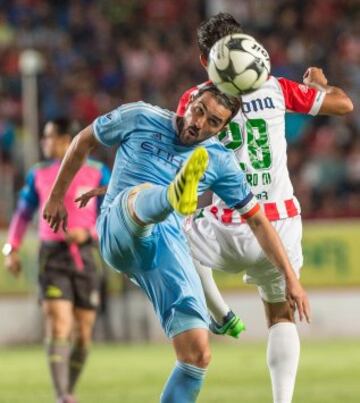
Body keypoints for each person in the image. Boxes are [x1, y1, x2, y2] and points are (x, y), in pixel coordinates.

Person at [42, 84, 310, 403]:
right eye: (199, 110)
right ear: (189, 101)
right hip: (120, 228)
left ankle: (173, 198)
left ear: (223, 129)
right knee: (137, 196)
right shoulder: (140, 115)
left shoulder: (220, 160)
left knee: (197, 353)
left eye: (213, 122)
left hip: (166, 245)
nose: (199, 123)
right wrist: (58, 196)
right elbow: (83, 140)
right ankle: (172, 194)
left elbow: (258, 221)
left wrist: (291, 279)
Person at [176, 13, 354, 403]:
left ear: (205, 60)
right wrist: (320, 86)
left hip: (228, 224)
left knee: (172, 229)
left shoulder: (195, 100)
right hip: (281, 223)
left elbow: (179, 154)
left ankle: (218, 312)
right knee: (279, 316)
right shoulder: (275, 88)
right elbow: (344, 105)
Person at [2, 118, 111, 403]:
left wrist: (87, 233)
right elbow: (23, 214)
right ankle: (62, 396)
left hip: (86, 256)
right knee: (59, 324)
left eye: (49, 138)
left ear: (67, 140)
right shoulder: (38, 174)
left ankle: (68, 389)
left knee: (84, 334)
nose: (45, 143)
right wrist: (10, 249)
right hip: (51, 256)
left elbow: (112, 215)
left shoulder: (98, 173)